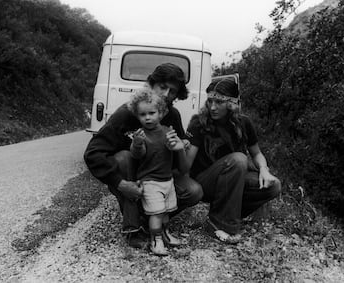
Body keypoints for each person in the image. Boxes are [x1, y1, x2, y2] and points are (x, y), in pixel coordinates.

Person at [83, 63, 203, 248]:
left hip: (158, 176)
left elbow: (180, 162)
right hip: (132, 178)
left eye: (172, 91)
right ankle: (133, 226)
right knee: (124, 157)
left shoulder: (172, 115)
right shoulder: (127, 113)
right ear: (151, 84)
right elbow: (93, 153)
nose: (165, 95)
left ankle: (153, 219)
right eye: (162, 87)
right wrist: (120, 183)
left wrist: (180, 148)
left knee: (194, 191)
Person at [184, 79, 281, 244]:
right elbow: (187, 164)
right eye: (210, 101)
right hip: (205, 182)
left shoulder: (244, 123)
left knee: (274, 186)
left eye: (219, 102)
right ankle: (219, 223)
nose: (212, 107)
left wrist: (264, 169)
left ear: (232, 104)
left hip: (232, 181)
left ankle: (226, 215)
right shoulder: (198, 122)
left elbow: (256, 153)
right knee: (239, 159)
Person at [128, 88, 188, 255]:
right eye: (142, 114)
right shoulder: (140, 135)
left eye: (152, 113)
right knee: (157, 213)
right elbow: (136, 154)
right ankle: (156, 239)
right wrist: (137, 143)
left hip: (167, 180)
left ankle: (164, 234)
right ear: (137, 115)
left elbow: (177, 147)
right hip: (150, 181)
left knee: (167, 212)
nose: (147, 117)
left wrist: (181, 145)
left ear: (161, 113)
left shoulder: (168, 131)